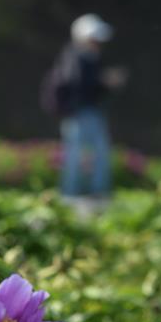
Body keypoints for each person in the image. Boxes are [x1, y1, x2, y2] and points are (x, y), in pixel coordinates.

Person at [49, 14, 127, 197]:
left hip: (88, 111)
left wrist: (104, 84)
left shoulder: (90, 58)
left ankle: (92, 191)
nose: (98, 43)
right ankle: (73, 194)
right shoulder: (76, 57)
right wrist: (104, 81)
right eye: (95, 38)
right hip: (79, 112)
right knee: (77, 154)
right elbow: (77, 85)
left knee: (93, 153)